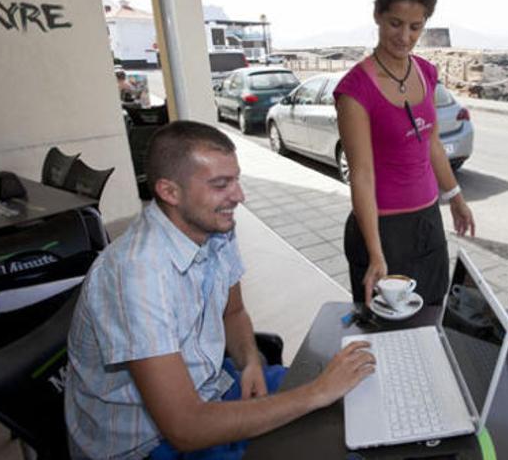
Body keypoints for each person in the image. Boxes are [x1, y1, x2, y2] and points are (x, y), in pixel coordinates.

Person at [64, 120, 375, 459]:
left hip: (212, 388)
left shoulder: (215, 227)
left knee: (353, 407)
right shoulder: (136, 275)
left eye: (236, 180)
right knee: (332, 435)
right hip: (148, 443)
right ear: (170, 192)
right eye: (220, 184)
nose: (238, 196)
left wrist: (250, 361)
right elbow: (185, 428)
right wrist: (316, 393)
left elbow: (234, 311)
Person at [334, 0, 475, 307]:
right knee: (386, 329)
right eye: (395, 23)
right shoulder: (355, 90)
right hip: (382, 228)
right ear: (378, 16)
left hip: (427, 220)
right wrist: (376, 254)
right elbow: (362, 177)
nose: (405, 37)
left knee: (434, 310)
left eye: (416, 27)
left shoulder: (426, 73)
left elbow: (432, 144)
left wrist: (455, 197)